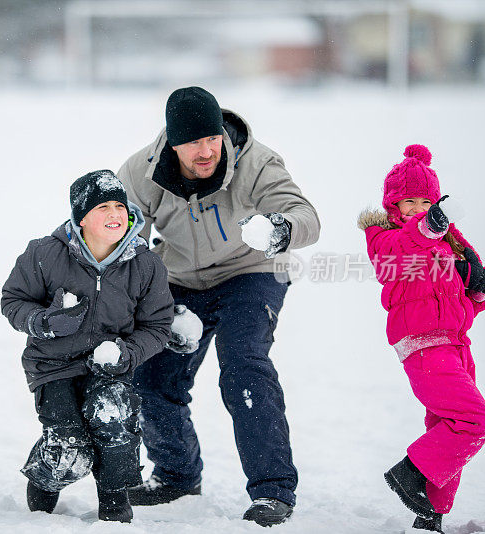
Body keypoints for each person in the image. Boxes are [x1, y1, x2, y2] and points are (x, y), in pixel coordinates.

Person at [116, 86, 320, 526]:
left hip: (251, 273)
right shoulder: (141, 172)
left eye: (212, 139)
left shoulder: (256, 161)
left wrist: (282, 228)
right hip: (179, 280)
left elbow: (306, 215)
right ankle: (176, 476)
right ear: (173, 142)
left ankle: (272, 492)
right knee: (151, 375)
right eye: (193, 142)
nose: (207, 150)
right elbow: (117, 232)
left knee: (243, 365)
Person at [1, 170, 174, 523]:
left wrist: (128, 353)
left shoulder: (144, 263)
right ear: (81, 218)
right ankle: (45, 486)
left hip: (109, 366)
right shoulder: (44, 254)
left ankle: (114, 501)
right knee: (69, 442)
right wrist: (44, 322)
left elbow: (157, 327)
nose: (115, 215)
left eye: (119, 206)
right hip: (53, 365)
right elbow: (13, 300)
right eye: (103, 208)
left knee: (115, 419)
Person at [358, 145, 485, 533]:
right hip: (422, 345)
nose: (417, 208)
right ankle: (409, 473)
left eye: (425, 201)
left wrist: (480, 289)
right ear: (392, 205)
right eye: (408, 201)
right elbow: (394, 260)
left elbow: (464, 303)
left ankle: (430, 515)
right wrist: (428, 227)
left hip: (456, 344)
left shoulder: (451, 241)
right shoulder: (384, 236)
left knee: (445, 427)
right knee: (474, 420)